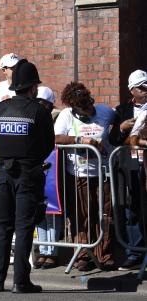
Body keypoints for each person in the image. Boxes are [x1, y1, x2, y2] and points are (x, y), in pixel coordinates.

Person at [0, 59, 54, 293]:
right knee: (24, 227)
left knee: (2, 227)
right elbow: (48, 145)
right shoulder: (38, 111)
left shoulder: (0, 110)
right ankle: (20, 281)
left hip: (3, 175)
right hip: (28, 175)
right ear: (32, 87)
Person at [54, 82, 116, 271]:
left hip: (103, 172)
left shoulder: (105, 111)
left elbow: (119, 128)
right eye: (84, 107)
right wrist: (79, 140)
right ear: (74, 108)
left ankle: (104, 254)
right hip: (78, 173)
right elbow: (55, 137)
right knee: (82, 215)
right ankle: (83, 254)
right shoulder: (66, 116)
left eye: (90, 103)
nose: (89, 109)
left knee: (105, 215)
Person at [110, 70, 147, 270]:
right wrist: (122, 127)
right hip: (130, 165)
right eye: (141, 86)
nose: (145, 89)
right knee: (132, 209)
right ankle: (135, 252)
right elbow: (112, 139)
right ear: (132, 90)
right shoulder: (122, 110)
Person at [33, 86, 62, 270]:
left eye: (42, 103)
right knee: (40, 213)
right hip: (37, 169)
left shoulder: (56, 117)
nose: (39, 106)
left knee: (52, 211)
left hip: (52, 170)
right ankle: (43, 250)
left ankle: (52, 252)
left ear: (49, 105)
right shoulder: (34, 116)